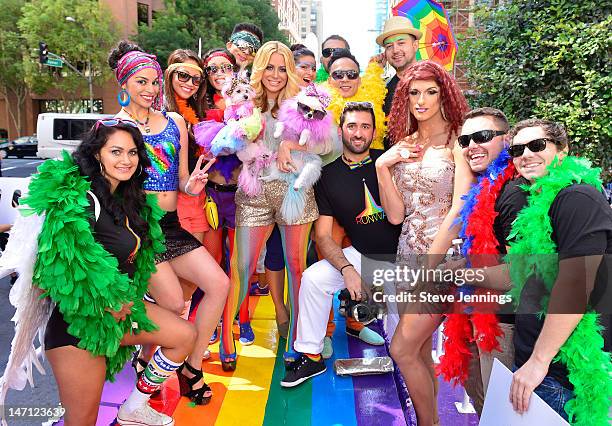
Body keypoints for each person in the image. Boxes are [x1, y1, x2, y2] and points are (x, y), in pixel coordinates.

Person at [18, 120, 195, 425]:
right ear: (97, 154)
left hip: (117, 316)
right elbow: (56, 266)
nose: (126, 160)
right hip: (78, 330)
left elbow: (141, 257)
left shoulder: (128, 201)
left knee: (183, 334)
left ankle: (134, 407)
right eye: (115, 151)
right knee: (83, 421)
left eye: (132, 152)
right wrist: (106, 300)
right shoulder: (79, 199)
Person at [109, 41, 229, 405]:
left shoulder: (175, 121)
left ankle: (190, 367)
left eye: (153, 82)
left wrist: (190, 184)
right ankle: (148, 365)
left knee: (219, 284)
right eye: (140, 82)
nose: (149, 89)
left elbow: (178, 179)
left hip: (173, 224)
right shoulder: (115, 127)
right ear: (124, 85)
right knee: (175, 303)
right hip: (139, 229)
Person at [221, 40, 329, 369]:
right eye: (270, 67)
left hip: (294, 194)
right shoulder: (244, 103)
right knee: (241, 269)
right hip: (254, 194)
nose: (276, 74)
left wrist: (290, 144)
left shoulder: (304, 102)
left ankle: (297, 338)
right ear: (259, 68)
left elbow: (326, 144)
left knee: (297, 268)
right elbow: (226, 146)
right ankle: (227, 335)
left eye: (283, 68)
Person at [376, 60, 471, 425]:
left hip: (442, 261)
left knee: (400, 348)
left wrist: (429, 268)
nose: (422, 100)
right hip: (406, 256)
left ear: (444, 94)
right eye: (414, 92)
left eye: (431, 91)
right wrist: (384, 167)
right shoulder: (404, 145)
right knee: (417, 352)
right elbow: (397, 215)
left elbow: (460, 209)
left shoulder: (458, 142)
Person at [280, 101, 401, 387]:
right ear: (340, 130)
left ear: (373, 131)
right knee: (314, 278)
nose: (358, 133)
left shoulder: (389, 161)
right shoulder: (328, 174)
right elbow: (323, 234)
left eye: (365, 126)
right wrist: (346, 268)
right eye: (352, 126)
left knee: (402, 342)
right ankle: (311, 356)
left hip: (405, 258)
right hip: (361, 255)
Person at [504, 119, 612, 423]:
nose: (525, 154)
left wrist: (539, 361)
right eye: (517, 149)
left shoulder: (576, 198)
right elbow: (526, 275)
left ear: (562, 151)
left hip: (561, 371)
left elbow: (577, 282)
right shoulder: (542, 202)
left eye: (536, 146)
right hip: (544, 365)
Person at [436, 107, 523, 416]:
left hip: (503, 325)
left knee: (501, 412)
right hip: (479, 313)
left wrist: (459, 273)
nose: (472, 145)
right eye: (465, 139)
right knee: (482, 402)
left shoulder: (514, 192)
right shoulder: (483, 188)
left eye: (483, 137)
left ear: (507, 139)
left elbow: (520, 272)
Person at [324, 50, 388, 150]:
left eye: (351, 74)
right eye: (338, 75)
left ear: (359, 80)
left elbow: (373, 84)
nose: (345, 79)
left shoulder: (371, 103)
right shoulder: (316, 106)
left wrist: (375, 67)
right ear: (329, 81)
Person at [376, 16, 421, 117]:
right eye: (389, 46)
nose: (395, 50)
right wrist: (375, 72)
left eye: (401, 43)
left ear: (415, 45)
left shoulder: (433, 81)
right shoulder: (385, 92)